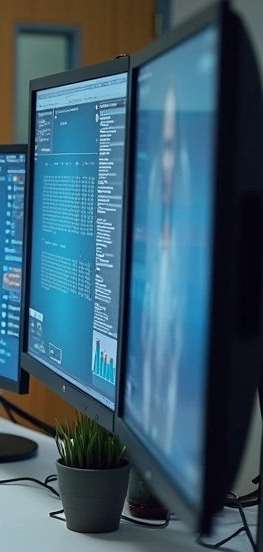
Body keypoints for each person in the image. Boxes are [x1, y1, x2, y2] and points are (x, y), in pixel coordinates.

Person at [138, 81, 189, 457]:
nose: (167, 161)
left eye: (173, 148)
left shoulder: (193, 261)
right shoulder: (144, 250)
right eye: (162, 148)